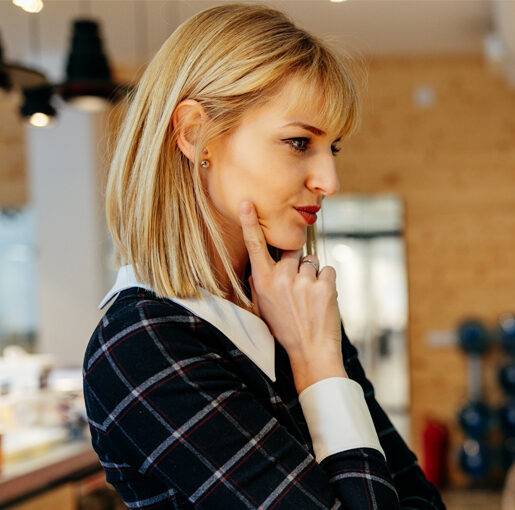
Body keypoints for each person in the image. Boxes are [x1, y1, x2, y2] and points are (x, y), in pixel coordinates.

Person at [83, 4, 444, 509]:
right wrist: (317, 363)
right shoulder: (141, 343)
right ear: (194, 134)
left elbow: (421, 500)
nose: (330, 182)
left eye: (331, 148)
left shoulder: (291, 307)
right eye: (299, 142)